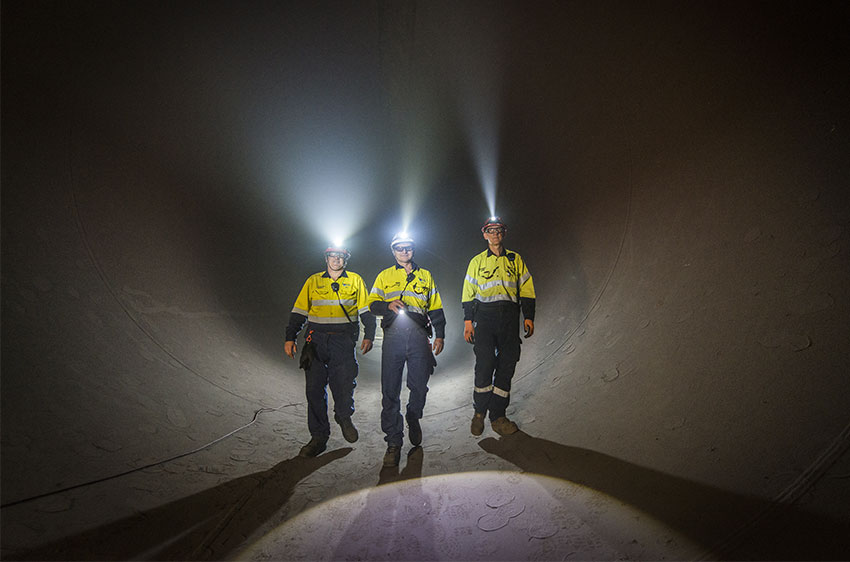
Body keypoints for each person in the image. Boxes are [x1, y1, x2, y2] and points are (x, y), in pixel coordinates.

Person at [284, 245, 376, 458]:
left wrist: (369, 335)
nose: (336, 260)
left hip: (343, 341)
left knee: (343, 383)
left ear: (346, 259)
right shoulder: (313, 281)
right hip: (315, 341)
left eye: (341, 256)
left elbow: (366, 310)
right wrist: (290, 337)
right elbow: (299, 312)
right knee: (314, 389)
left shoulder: (355, 280)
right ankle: (318, 437)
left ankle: (344, 417)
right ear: (326, 258)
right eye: (333, 256)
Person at [368, 232, 446, 467]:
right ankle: (393, 442)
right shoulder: (384, 276)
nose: (404, 251)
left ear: (413, 249)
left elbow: (436, 308)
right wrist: (387, 305)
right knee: (390, 390)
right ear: (393, 251)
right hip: (393, 336)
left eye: (408, 247)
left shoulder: (426, 276)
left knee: (419, 384)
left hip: (419, 335)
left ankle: (413, 415)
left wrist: (440, 334)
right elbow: (371, 304)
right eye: (399, 248)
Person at [462, 217, 536, 436]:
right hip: (484, 318)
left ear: (504, 233)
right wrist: (468, 321)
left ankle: (498, 416)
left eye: (498, 230)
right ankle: (479, 413)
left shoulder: (515, 259)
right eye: (490, 231)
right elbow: (468, 293)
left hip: (509, 318)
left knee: (507, 364)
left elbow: (527, 289)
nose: (495, 234)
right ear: (484, 235)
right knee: (485, 364)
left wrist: (528, 317)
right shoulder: (476, 262)